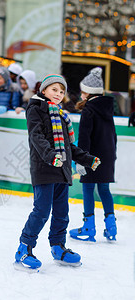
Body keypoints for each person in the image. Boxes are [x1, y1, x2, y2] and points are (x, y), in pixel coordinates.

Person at [14, 74, 101, 271]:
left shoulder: (61, 115)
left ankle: (58, 247)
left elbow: (70, 147)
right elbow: (37, 138)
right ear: (43, 90)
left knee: (62, 213)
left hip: (62, 170)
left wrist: (88, 159)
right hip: (44, 168)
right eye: (54, 90)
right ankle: (23, 248)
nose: (58, 94)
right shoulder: (35, 109)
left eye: (62, 91)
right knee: (42, 210)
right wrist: (50, 155)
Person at [69, 67, 117, 242]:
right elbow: (113, 135)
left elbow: (84, 138)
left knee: (88, 188)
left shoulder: (89, 109)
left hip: (92, 158)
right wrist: (113, 156)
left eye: (83, 92)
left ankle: (89, 227)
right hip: (108, 156)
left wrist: (82, 160)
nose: (81, 95)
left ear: (88, 92)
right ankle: (111, 227)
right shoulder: (107, 109)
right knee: (104, 189)